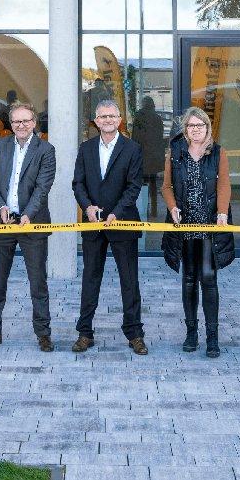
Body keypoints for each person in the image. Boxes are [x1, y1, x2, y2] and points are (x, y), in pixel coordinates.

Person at [0, 102, 57, 353]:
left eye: (25, 121)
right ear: (11, 124)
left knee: (38, 283)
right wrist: (0, 207)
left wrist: (28, 214)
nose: (21, 125)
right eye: (16, 121)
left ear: (34, 123)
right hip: (2, 223)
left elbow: (43, 187)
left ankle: (43, 334)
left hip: (32, 224)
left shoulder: (46, 150)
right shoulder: (1, 146)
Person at [71, 99, 147, 355]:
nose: (107, 120)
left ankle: (135, 334)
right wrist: (87, 207)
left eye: (112, 116)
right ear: (96, 121)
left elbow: (134, 186)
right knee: (90, 278)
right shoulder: (86, 148)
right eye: (103, 116)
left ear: (120, 120)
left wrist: (116, 213)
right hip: (93, 223)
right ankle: (85, 333)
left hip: (122, 222)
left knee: (129, 280)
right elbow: (78, 183)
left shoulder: (132, 149)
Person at [160, 107, 234, 358]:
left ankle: (212, 337)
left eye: (200, 125)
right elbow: (166, 187)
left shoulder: (218, 152)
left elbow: (224, 185)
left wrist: (222, 212)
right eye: (191, 126)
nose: (195, 130)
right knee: (189, 279)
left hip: (209, 225)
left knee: (209, 279)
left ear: (207, 128)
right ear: (185, 129)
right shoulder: (175, 152)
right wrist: (172, 207)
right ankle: (191, 333)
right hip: (185, 226)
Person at [131, 96, 165, 218]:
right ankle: (154, 210)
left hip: (142, 156)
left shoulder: (138, 117)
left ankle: (143, 209)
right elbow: (160, 138)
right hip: (154, 157)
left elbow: (135, 138)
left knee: (141, 184)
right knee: (153, 183)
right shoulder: (157, 118)